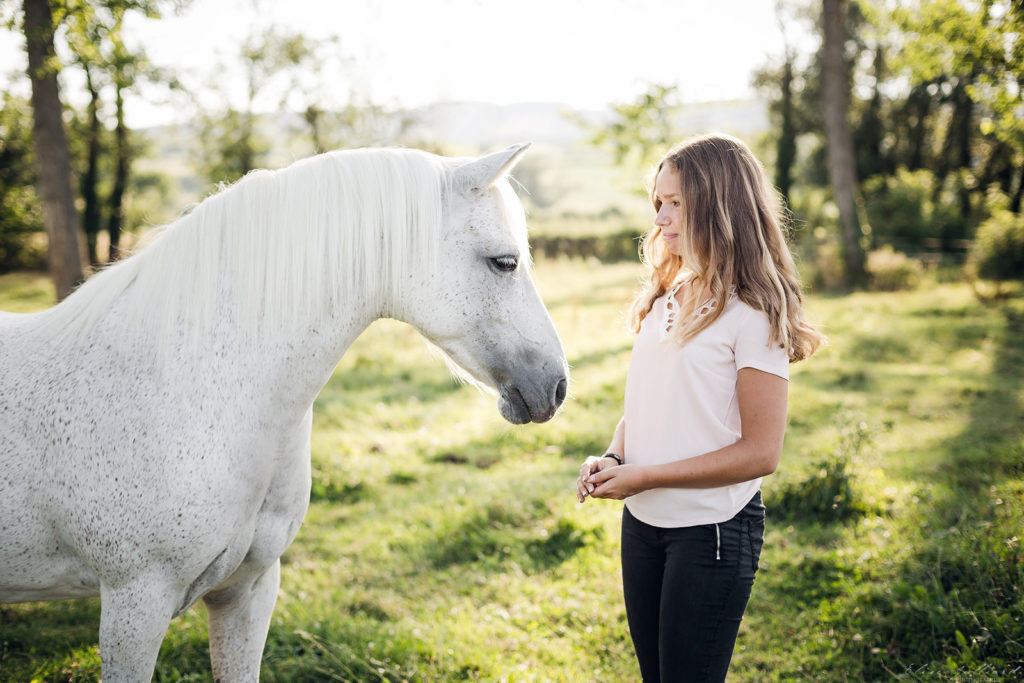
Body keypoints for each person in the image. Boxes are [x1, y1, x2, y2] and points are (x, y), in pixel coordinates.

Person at [575, 133, 824, 682]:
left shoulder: (753, 313)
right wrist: (615, 459)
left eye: (675, 204)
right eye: (657, 203)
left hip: (711, 531)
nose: (660, 218)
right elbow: (651, 404)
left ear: (717, 205)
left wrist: (647, 476)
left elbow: (761, 453)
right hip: (642, 527)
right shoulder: (666, 296)